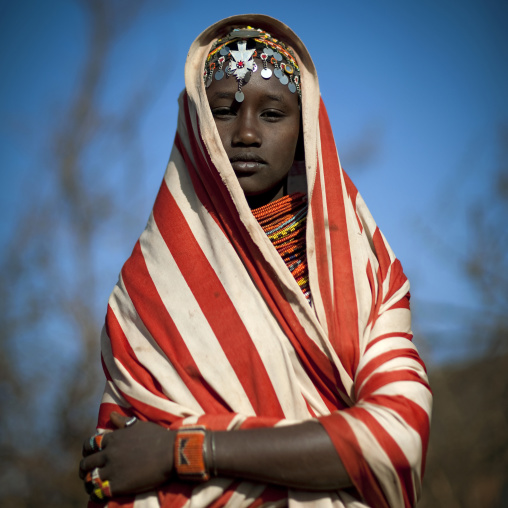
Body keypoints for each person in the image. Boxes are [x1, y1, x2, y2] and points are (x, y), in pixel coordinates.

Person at [79, 14, 432, 508]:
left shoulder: (368, 272)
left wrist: (184, 450)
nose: (245, 133)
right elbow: (116, 469)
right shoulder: (147, 288)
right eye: (224, 110)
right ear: (196, 121)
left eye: (272, 114)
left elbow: (398, 437)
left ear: (305, 127)